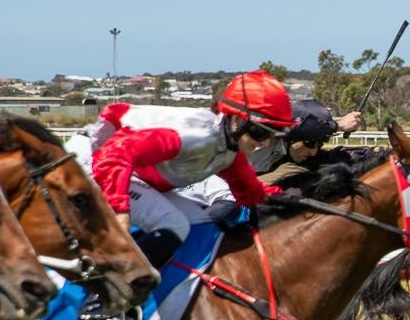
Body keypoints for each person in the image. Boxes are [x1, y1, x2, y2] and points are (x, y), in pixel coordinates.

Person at [87, 71, 296, 269]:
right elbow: (113, 155)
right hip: (95, 165)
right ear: (237, 120)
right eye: (260, 133)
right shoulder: (195, 137)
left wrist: (294, 200)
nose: (264, 143)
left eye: (272, 135)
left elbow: (252, 193)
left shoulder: (230, 153)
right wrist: (120, 209)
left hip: (129, 174)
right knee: (174, 223)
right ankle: (107, 286)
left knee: (203, 225)